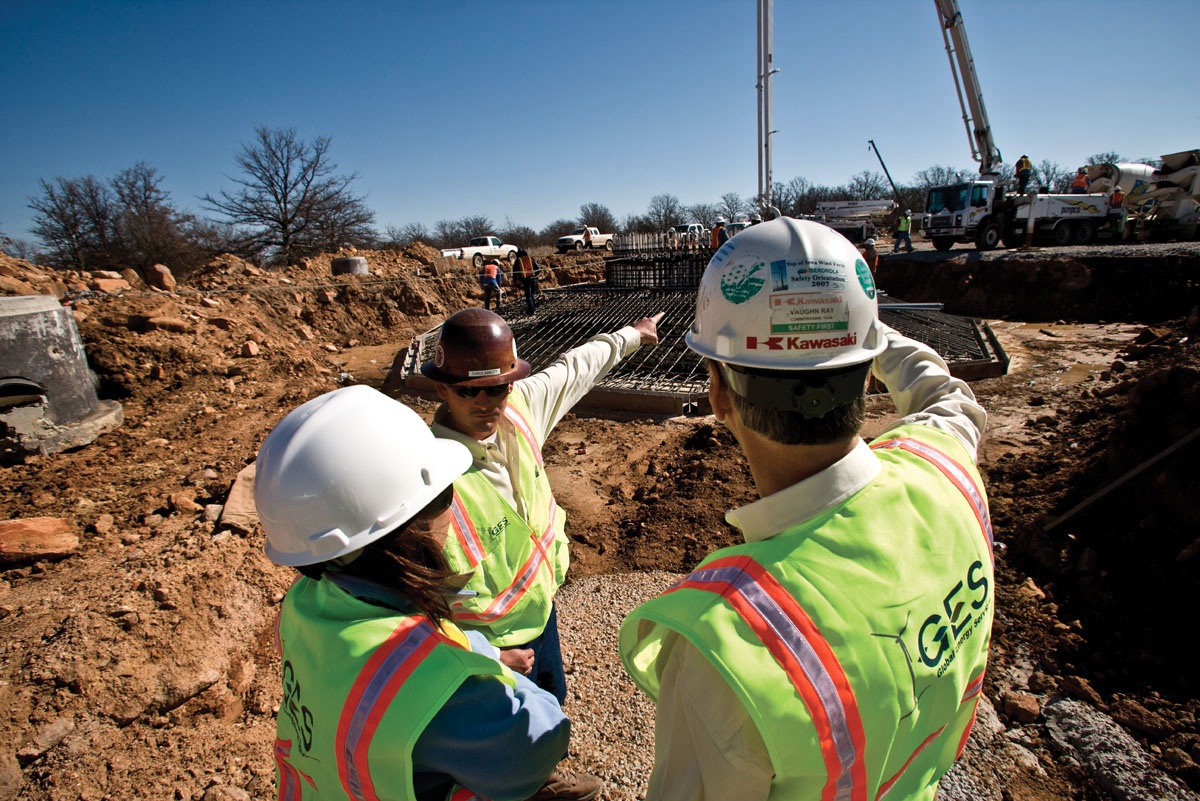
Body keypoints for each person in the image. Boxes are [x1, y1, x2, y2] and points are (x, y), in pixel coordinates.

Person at [619, 218, 994, 801]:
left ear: (717, 393)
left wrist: (821, 329)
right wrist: (850, 323)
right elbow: (946, 394)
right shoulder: (945, 466)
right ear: (868, 374)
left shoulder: (733, 645)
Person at [255, 385, 581, 801]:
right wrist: (497, 673)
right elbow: (535, 747)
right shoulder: (442, 686)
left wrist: (479, 650)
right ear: (410, 527)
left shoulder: (307, 603)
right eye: (445, 492)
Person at [421, 307, 663, 796]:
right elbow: (408, 603)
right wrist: (484, 655)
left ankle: (541, 775)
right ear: (443, 388)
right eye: (471, 390)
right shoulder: (426, 476)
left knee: (549, 703)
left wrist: (632, 335)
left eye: (499, 386)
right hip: (483, 638)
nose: (488, 402)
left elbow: (575, 367)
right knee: (489, 742)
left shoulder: (520, 410)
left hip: (538, 610)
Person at [514, 248, 541, 315]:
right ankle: (533, 307)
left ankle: (531, 310)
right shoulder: (530, 258)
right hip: (533, 279)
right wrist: (535, 275)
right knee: (532, 294)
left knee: (528, 295)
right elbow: (538, 268)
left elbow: (515, 272)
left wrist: (516, 280)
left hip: (526, 280)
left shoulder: (518, 261)